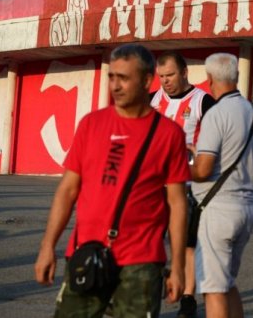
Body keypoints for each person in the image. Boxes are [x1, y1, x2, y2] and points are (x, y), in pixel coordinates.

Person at [34, 44, 189, 317]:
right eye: (112, 77)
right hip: (86, 252)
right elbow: (67, 190)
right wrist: (48, 247)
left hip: (141, 261)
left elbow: (177, 204)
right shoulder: (91, 124)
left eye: (124, 78)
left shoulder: (169, 134)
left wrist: (178, 267)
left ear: (146, 81)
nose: (115, 86)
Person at [190, 53, 253, 318]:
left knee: (214, 290)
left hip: (219, 208)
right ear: (237, 76)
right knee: (228, 283)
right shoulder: (252, 113)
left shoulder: (216, 114)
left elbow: (203, 169)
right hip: (247, 206)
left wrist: (177, 166)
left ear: (209, 79)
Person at [152, 51, 215, 318]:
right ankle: (151, 289)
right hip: (154, 185)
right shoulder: (152, 100)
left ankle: (188, 297)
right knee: (152, 240)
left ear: (185, 72)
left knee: (187, 243)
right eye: (161, 76)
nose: (165, 81)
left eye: (170, 75)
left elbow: (215, 141)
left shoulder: (203, 101)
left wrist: (197, 153)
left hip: (188, 186)